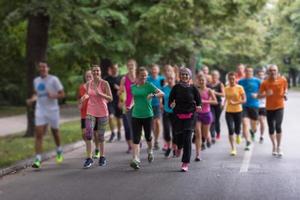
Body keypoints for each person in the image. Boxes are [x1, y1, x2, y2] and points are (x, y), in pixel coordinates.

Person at [27, 62, 65, 169]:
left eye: (44, 67)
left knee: (55, 132)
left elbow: (62, 94)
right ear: (39, 69)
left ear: (48, 68)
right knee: (38, 133)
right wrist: (32, 99)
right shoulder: (36, 81)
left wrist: (53, 95)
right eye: (40, 67)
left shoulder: (54, 79)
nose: (42, 68)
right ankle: (38, 159)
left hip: (53, 110)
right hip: (40, 110)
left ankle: (59, 150)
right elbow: (36, 94)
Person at [130, 67, 164, 170]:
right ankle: (136, 159)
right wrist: (130, 105)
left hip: (148, 115)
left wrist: (153, 95)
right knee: (136, 138)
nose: (144, 77)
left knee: (148, 136)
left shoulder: (149, 85)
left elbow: (162, 93)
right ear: (137, 76)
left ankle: (150, 150)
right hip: (136, 115)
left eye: (145, 75)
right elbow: (133, 99)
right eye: (142, 75)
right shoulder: (133, 87)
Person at [169, 67, 202, 172]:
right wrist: (171, 104)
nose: (184, 76)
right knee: (179, 135)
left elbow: (198, 100)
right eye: (183, 74)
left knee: (187, 137)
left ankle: (185, 162)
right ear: (180, 76)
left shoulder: (193, 88)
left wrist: (199, 106)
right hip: (178, 114)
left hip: (190, 115)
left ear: (189, 76)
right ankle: (179, 147)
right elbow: (170, 101)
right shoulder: (176, 88)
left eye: (186, 75)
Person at [80, 65, 113, 168]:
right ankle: (89, 158)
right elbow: (88, 94)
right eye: (94, 71)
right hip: (90, 112)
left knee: (100, 136)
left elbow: (110, 98)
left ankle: (102, 157)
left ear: (100, 72)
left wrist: (100, 94)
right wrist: (84, 97)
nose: (95, 73)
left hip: (103, 112)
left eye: (97, 71)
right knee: (88, 134)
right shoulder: (89, 83)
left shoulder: (104, 83)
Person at [258, 64, 287, 157]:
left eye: (274, 70)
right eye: (271, 70)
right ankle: (274, 145)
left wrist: (285, 94)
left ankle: (279, 147)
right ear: (268, 72)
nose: (273, 72)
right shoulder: (265, 83)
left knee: (278, 126)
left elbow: (285, 89)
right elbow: (259, 96)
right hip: (269, 108)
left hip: (279, 107)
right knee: (271, 129)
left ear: (277, 71)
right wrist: (266, 94)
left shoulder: (283, 80)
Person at [77, 70, 100, 159]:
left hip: (94, 113)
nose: (89, 78)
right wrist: (80, 104)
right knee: (84, 134)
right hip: (84, 113)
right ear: (85, 78)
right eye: (87, 76)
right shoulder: (81, 87)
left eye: (90, 76)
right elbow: (79, 99)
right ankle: (90, 147)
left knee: (96, 133)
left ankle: (97, 149)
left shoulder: (96, 87)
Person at [194, 73, 217, 161]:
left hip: (206, 114)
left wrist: (204, 101)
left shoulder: (209, 90)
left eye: (203, 80)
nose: (201, 82)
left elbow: (215, 102)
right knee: (198, 134)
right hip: (197, 114)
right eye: (200, 80)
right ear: (198, 81)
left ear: (206, 81)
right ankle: (198, 154)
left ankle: (205, 140)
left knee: (205, 134)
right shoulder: (195, 91)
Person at [238, 67, 261, 150]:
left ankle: (252, 131)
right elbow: (237, 91)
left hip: (254, 105)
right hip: (244, 105)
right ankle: (248, 142)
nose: (248, 72)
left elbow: (263, 90)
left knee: (254, 126)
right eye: (247, 71)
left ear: (252, 72)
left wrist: (257, 95)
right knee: (245, 123)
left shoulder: (257, 81)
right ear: (244, 72)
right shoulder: (241, 81)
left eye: (250, 71)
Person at [224, 72, 246, 156]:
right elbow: (225, 98)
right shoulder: (226, 88)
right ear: (228, 79)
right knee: (230, 129)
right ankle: (233, 148)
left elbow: (244, 100)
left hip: (238, 111)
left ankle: (238, 135)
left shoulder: (240, 88)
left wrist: (235, 102)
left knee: (237, 128)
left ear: (236, 79)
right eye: (230, 79)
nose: (232, 80)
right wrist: (223, 104)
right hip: (228, 111)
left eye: (233, 79)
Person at [118, 59, 137, 153]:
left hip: (138, 105)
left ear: (135, 66)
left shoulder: (139, 78)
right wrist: (120, 100)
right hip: (127, 106)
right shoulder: (124, 78)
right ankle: (131, 145)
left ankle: (136, 143)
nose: (131, 66)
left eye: (132, 65)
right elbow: (120, 92)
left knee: (136, 126)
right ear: (127, 66)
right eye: (129, 65)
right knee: (127, 126)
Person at [147, 64, 165, 150]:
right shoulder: (148, 79)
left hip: (158, 104)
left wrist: (162, 102)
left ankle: (157, 140)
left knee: (157, 122)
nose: (154, 71)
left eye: (156, 69)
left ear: (158, 71)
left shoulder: (162, 79)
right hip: (149, 104)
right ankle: (155, 140)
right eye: (153, 69)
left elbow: (164, 91)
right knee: (153, 123)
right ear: (151, 71)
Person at [106, 64, 123, 142]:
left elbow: (125, 89)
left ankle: (119, 132)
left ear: (118, 69)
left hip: (119, 100)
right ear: (111, 69)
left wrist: (119, 88)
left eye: (116, 68)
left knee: (119, 119)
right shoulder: (107, 79)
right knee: (110, 117)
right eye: (113, 68)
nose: (114, 70)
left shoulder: (121, 78)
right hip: (110, 101)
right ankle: (113, 133)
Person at [162, 71, 177, 157]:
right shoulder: (164, 88)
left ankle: (174, 148)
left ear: (174, 79)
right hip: (166, 112)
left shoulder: (177, 88)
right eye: (169, 78)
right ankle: (169, 147)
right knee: (167, 131)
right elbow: (162, 98)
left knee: (175, 132)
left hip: (175, 113)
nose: (170, 80)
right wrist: (161, 103)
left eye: (172, 78)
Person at [209, 70, 225, 141]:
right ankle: (212, 135)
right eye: (213, 75)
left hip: (218, 104)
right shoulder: (208, 84)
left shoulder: (220, 84)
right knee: (212, 119)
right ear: (211, 76)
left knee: (217, 120)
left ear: (218, 76)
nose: (214, 77)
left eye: (215, 75)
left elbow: (223, 94)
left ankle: (218, 132)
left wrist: (214, 93)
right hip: (211, 103)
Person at [256, 69, 267, 143]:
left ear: (264, 75)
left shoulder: (267, 83)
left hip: (263, 105)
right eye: (259, 75)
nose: (261, 76)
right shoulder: (255, 83)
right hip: (255, 105)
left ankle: (261, 136)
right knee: (256, 121)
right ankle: (253, 130)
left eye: (262, 75)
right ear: (257, 76)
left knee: (262, 120)